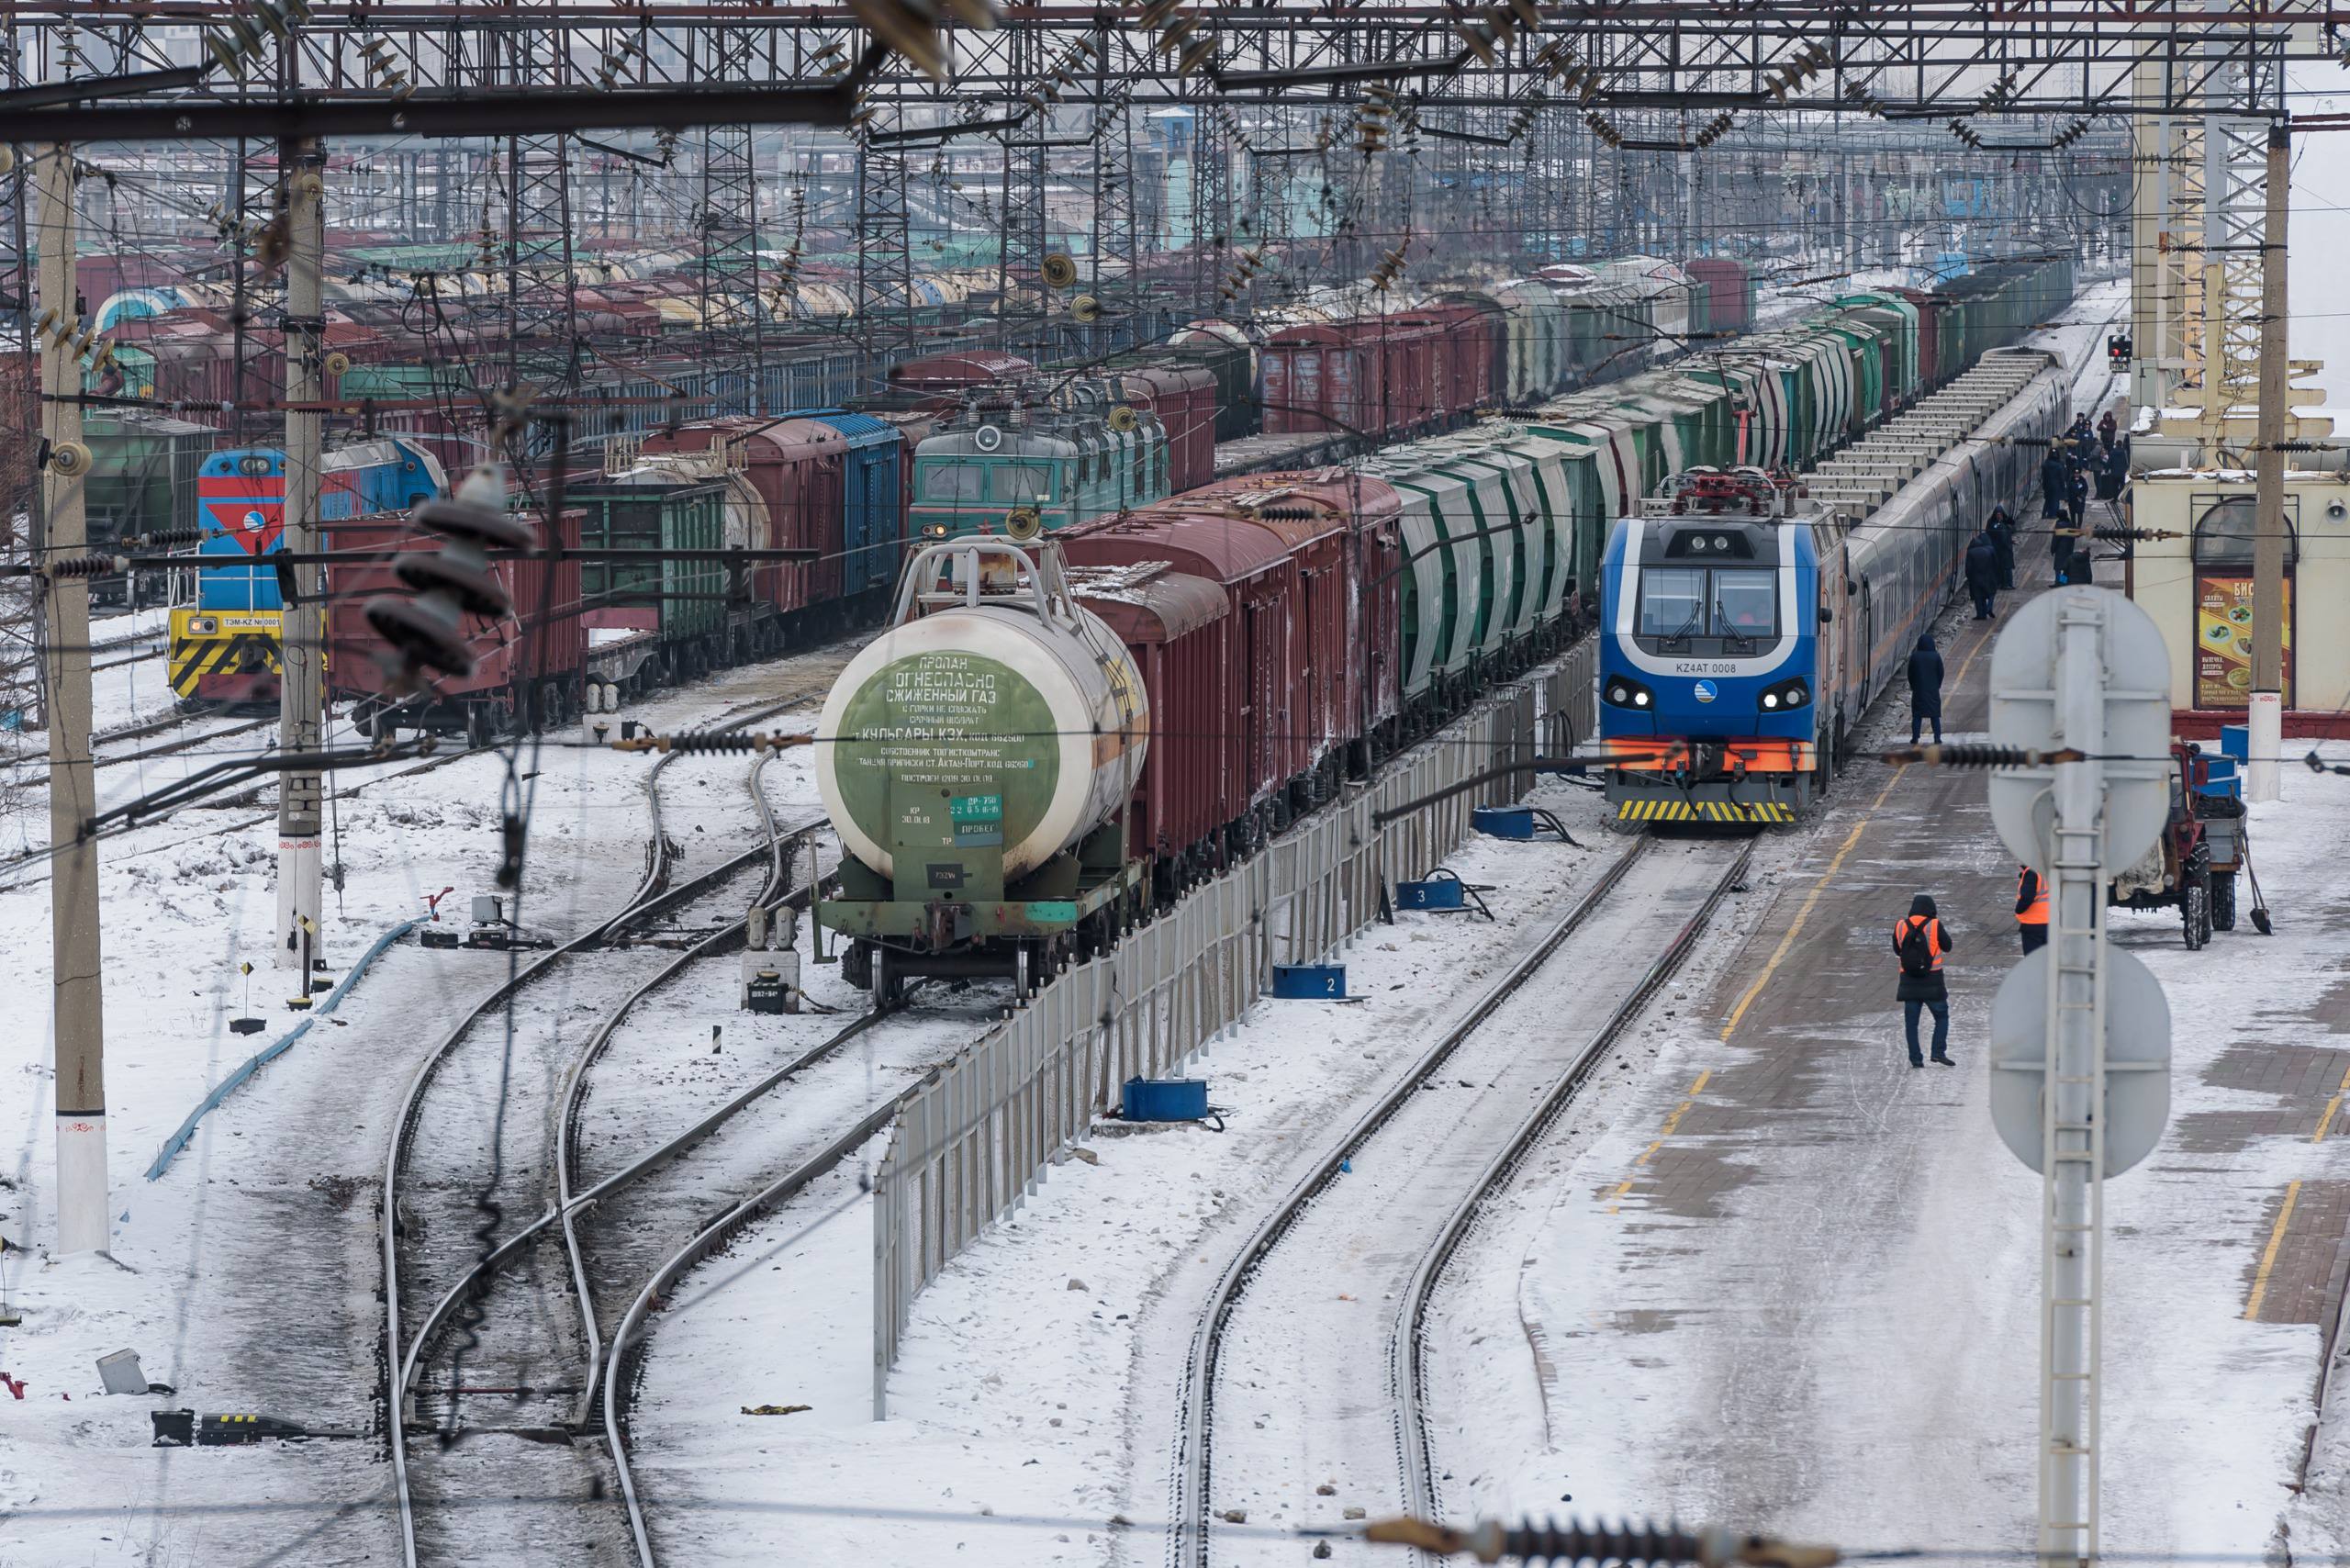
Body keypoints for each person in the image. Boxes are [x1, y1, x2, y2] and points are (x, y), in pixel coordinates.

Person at [1894, 893, 1955, 1068]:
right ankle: (1938, 1052)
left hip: (1908, 981)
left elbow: (1897, 950)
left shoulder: (1900, 925)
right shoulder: (1934, 925)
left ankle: (1915, 1059)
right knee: (1941, 1017)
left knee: (1911, 1023)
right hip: (1932, 981)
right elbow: (1948, 946)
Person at [1907, 632, 1943, 745]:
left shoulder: (1915, 656)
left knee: (1917, 716)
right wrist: (1937, 685)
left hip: (1919, 691)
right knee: (1935, 716)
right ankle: (1937, 738)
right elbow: (1941, 673)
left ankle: (1915, 738)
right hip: (1933, 691)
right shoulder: (1936, 656)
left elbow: (1910, 673)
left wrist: (1913, 686)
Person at [1964, 529, 1999, 619]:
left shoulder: (1970, 553)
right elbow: (1994, 564)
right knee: (1985, 595)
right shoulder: (1987, 551)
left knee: (1978, 598)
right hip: (1987, 577)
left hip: (1976, 579)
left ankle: (1981, 615)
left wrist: (1970, 578)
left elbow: (1968, 568)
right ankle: (1986, 611)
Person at [2015, 865, 2050, 955]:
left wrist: (2018, 910)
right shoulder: (2053, 869)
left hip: (2033, 923)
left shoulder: (2032, 872)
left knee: (2033, 958)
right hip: (2053, 921)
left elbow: (2027, 897)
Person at [1986, 506, 2018, 590]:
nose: (1999, 516)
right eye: (1997, 514)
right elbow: (1990, 533)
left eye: (2000, 514)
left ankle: (2008, 583)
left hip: (2005, 550)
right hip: (1997, 549)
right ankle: (2001, 583)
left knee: (2007, 568)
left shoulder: (2005, 522)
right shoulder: (1991, 522)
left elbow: (2013, 529)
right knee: (1999, 568)